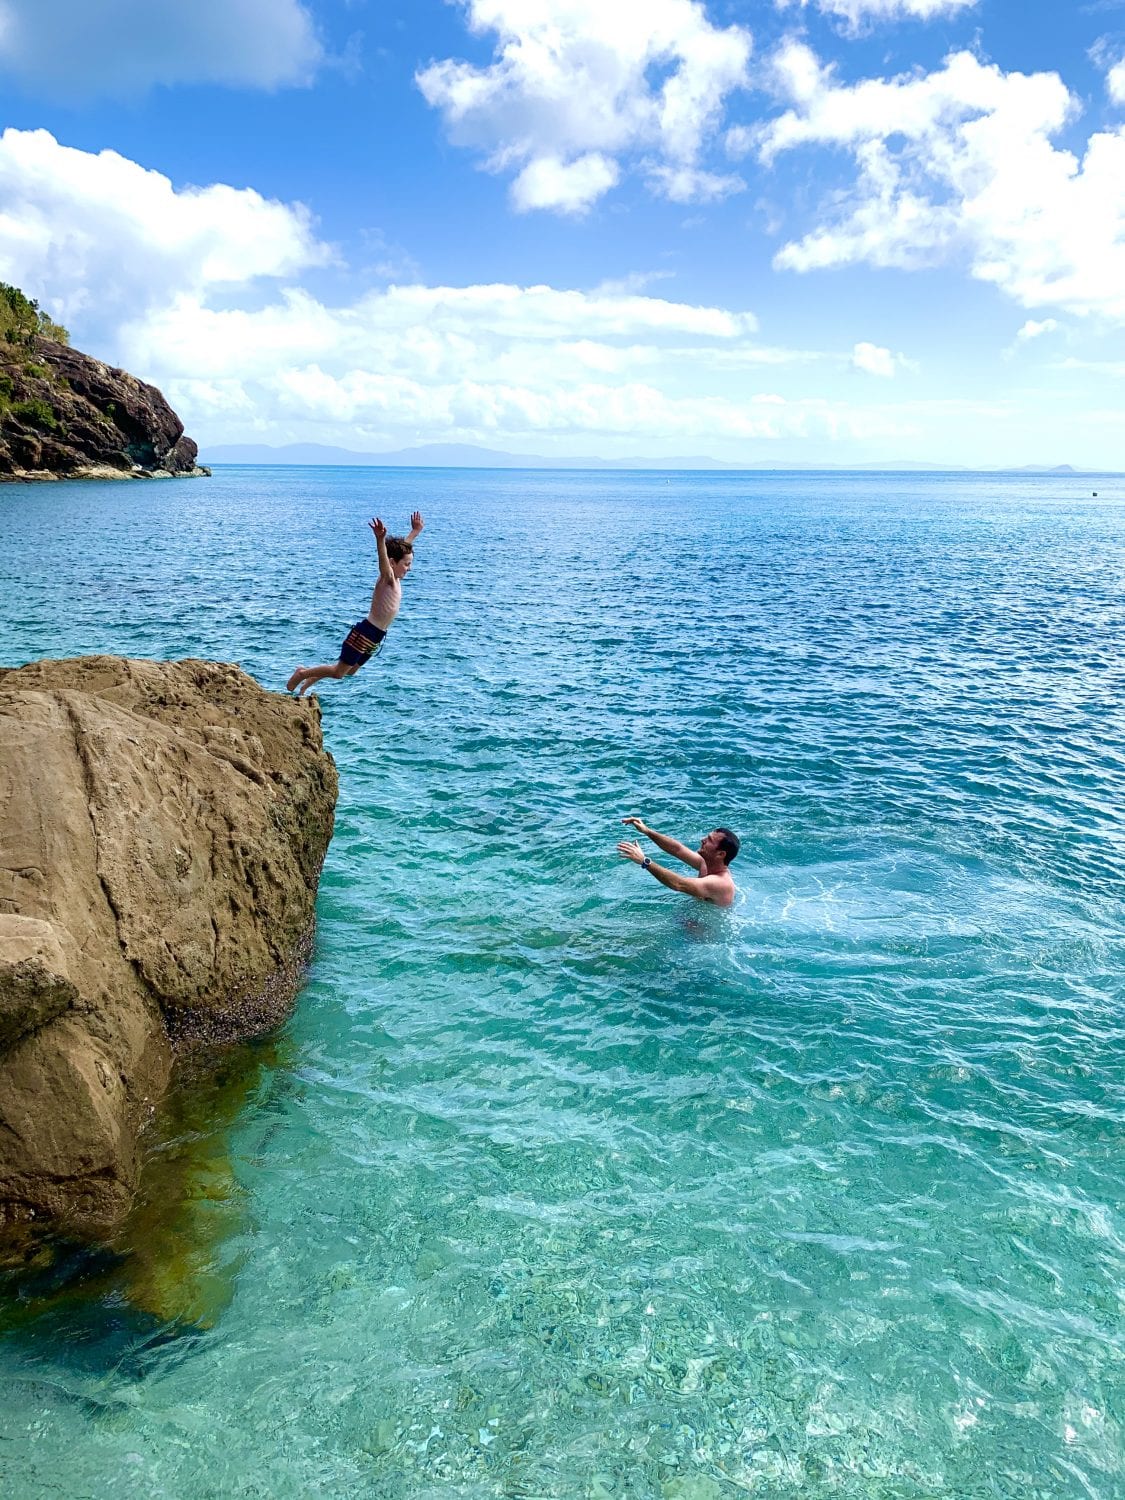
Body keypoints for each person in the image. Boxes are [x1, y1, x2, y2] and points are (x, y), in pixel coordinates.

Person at [286, 511, 424, 697]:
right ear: (392, 563)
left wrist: (414, 532)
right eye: (407, 565)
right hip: (366, 632)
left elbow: (402, 551)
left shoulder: (396, 577)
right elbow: (384, 560)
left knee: (350, 670)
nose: (410, 568)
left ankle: (309, 680)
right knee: (338, 673)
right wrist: (380, 539)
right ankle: (302, 673)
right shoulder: (388, 578)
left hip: (377, 636)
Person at [617, 816, 739, 907]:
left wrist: (644, 861)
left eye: (709, 840)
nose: (702, 840)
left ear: (721, 854)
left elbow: (678, 884)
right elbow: (677, 849)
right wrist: (647, 831)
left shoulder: (721, 883)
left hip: (702, 938)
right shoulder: (706, 864)